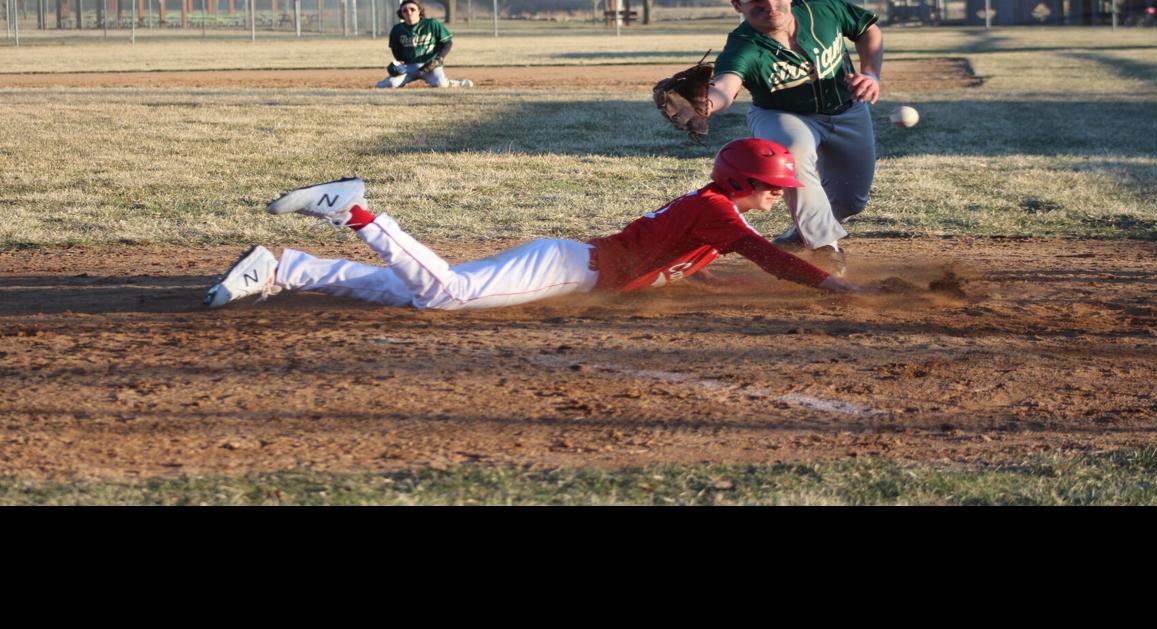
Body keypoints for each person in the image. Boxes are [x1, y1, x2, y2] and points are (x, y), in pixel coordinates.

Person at [201, 139, 877, 311]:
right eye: (775, 189)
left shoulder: (714, 210)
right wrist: (833, 290)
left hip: (569, 265)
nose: (778, 199)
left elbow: (673, 268)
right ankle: (353, 210)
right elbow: (773, 258)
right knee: (445, 296)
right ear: (745, 183)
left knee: (415, 291)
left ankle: (285, 267)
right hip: (566, 266)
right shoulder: (719, 212)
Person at [703, 0, 884, 276]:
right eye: (755, 0)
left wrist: (871, 73)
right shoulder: (744, 44)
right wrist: (703, 104)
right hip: (781, 115)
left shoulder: (822, 8)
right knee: (793, 153)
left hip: (848, 110)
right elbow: (726, 86)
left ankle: (799, 235)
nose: (769, 5)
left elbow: (867, 30)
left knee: (850, 201)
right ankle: (825, 248)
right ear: (737, 4)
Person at [377, 1, 473, 90]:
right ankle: (398, 82)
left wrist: (439, 59)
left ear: (419, 10)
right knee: (390, 84)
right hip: (408, 65)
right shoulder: (397, 29)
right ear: (401, 14)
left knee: (441, 84)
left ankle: (456, 83)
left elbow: (448, 42)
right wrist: (398, 60)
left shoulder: (431, 24)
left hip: (429, 65)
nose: (409, 12)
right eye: (405, 10)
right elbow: (395, 48)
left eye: (412, 9)